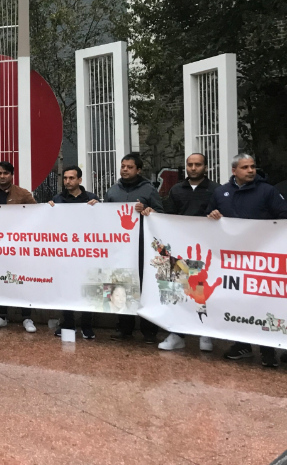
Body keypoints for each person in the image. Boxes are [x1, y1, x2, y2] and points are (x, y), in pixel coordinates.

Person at [206, 153, 287, 368]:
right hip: (232, 260)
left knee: (261, 302)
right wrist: (212, 215)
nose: (251, 170)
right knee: (238, 301)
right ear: (234, 171)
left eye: (252, 166)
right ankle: (242, 345)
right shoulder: (221, 192)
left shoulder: (267, 191)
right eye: (245, 167)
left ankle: (268, 350)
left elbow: (283, 215)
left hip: (260, 259)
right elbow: (207, 218)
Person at [147, 153, 218, 352]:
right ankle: (177, 334)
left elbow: (224, 216)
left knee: (204, 290)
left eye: (198, 164)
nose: (194, 168)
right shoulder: (177, 189)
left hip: (207, 249)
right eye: (190, 164)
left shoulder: (216, 190)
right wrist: (153, 215)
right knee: (179, 290)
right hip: (181, 249)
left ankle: (206, 334)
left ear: (205, 167)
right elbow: (168, 216)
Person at [104, 153, 163, 343]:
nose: (125, 170)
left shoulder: (149, 190)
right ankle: (124, 328)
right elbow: (104, 216)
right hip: (120, 249)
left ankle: (149, 331)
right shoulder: (113, 191)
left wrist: (149, 211)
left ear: (138, 170)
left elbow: (162, 215)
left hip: (143, 248)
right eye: (123, 166)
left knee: (146, 288)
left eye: (129, 167)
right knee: (122, 287)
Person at [0, 162, 37, 333]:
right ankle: (1, 316)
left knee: (22, 281)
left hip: (19, 247)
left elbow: (37, 215)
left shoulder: (23, 194)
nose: (2, 176)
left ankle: (27, 317)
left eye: (6, 173)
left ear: (12, 175)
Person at [47, 165, 100, 339]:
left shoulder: (91, 199)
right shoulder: (58, 199)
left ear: (79, 180)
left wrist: (99, 208)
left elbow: (102, 221)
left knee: (87, 287)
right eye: (65, 178)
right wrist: (48, 210)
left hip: (86, 252)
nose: (67, 181)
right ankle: (68, 323)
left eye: (71, 178)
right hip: (65, 253)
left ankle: (86, 325)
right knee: (66, 287)